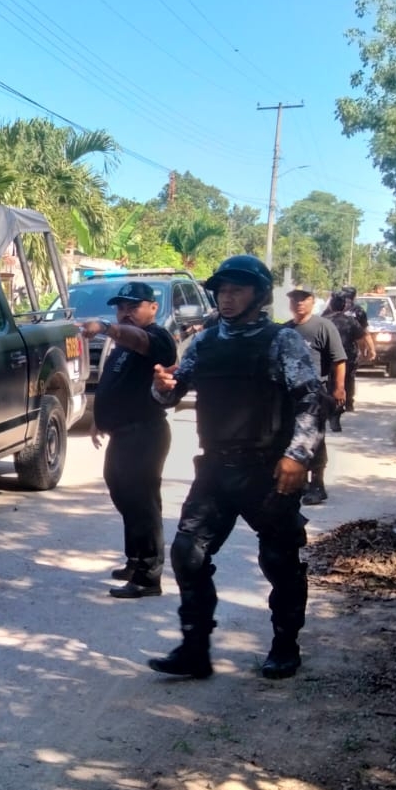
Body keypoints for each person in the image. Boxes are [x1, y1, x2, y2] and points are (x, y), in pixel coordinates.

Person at [147, 255, 324, 681]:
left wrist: (298, 456)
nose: (227, 298)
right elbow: (173, 393)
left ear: (259, 295)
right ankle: (194, 650)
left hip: (269, 470)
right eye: (222, 291)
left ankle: (285, 644)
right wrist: (161, 388)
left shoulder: (282, 342)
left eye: (237, 291)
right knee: (187, 554)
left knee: (279, 560)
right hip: (215, 469)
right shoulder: (206, 342)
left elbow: (311, 401)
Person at [80, 280, 178, 598]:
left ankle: (149, 577)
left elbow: (138, 339)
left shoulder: (157, 338)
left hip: (145, 433)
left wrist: (107, 327)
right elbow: (111, 382)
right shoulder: (122, 346)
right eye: (121, 308)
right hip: (123, 435)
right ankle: (135, 560)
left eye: (133, 307)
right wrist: (99, 418)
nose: (125, 313)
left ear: (153, 307)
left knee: (142, 502)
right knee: (123, 494)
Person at [286, 288, 346, 506]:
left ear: (312, 302)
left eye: (303, 299)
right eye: (294, 299)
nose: (298, 303)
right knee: (292, 437)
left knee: (316, 439)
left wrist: (339, 389)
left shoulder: (324, 327)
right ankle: (298, 483)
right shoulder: (286, 329)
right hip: (290, 393)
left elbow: (339, 360)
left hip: (315, 391)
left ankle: (317, 485)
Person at [324, 293, 367, 421]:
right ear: (344, 307)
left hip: (327, 356)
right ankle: (348, 403)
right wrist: (363, 352)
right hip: (348, 356)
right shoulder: (351, 321)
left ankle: (328, 404)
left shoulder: (323, 320)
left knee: (327, 379)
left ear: (331, 306)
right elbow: (360, 338)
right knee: (349, 378)